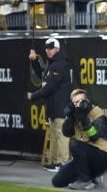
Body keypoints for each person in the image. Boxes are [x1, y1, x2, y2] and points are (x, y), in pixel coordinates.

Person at [53, 89, 107, 191]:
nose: (78, 105)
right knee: (58, 181)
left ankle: (86, 181)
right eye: (75, 103)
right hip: (84, 156)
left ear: (86, 101)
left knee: (75, 145)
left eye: (80, 101)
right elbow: (67, 133)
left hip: (102, 156)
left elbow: (95, 137)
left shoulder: (97, 113)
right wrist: (70, 118)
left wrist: (84, 120)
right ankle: (91, 176)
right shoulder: (75, 114)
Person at [28, 37, 73, 171]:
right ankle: (54, 162)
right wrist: (34, 60)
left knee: (61, 135)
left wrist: (33, 96)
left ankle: (63, 163)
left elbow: (50, 87)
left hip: (60, 106)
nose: (48, 50)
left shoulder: (59, 64)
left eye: (51, 48)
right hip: (53, 105)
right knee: (54, 135)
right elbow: (41, 74)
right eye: (47, 48)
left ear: (57, 49)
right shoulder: (51, 63)